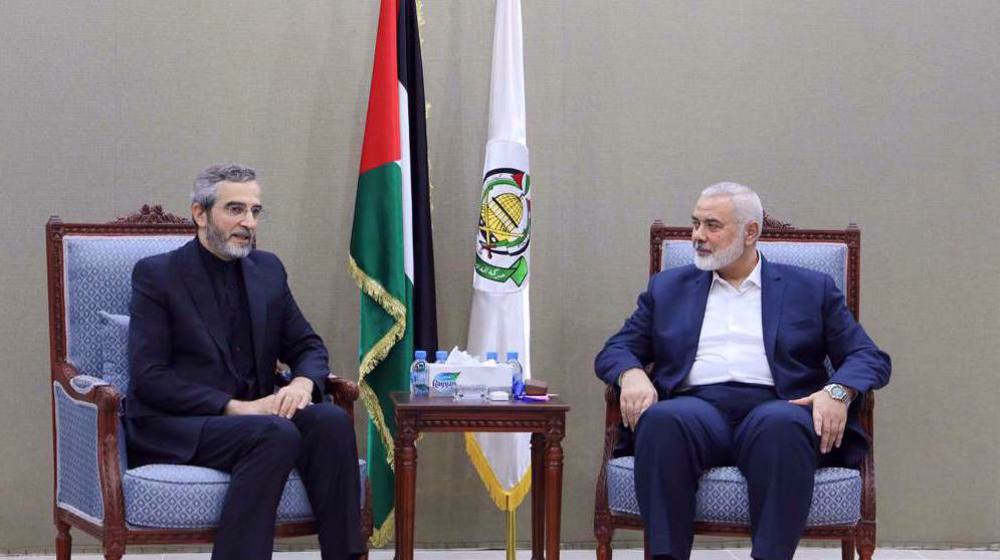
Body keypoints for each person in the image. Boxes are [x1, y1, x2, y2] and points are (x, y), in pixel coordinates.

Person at [594, 182, 891, 560]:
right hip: (696, 408)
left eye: (712, 225)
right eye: (695, 223)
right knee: (663, 420)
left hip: (778, 405)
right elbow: (617, 349)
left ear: (751, 232)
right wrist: (631, 374)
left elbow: (868, 356)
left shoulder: (811, 289)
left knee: (782, 425)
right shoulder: (669, 288)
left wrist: (837, 392)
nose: (697, 236)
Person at [125, 164, 363, 560]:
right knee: (275, 433)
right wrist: (236, 408)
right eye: (235, 209)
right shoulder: (158, 274)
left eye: (255, 211)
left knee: (330, 420)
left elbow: (308, 346)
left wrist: (302, 385)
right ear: (200, 214)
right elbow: (149, 377)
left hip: (259, 414)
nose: (248, 222)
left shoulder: (267, 270)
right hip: (182, 424)